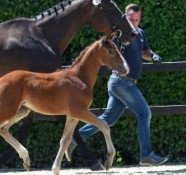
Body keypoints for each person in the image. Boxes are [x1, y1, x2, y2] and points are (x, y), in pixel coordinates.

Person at [67, 4, 168, 166]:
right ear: (125, 18)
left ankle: (75, 138)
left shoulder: (140, 33)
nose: (134, 22)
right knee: (144, 114)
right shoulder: (118, 36)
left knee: (108, 119)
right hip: (122, 82)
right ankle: (146, 155)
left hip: (123, 83)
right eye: (131, 19)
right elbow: (107, 52)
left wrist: (153, 56)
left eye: (137, 19)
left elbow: (145, 52)